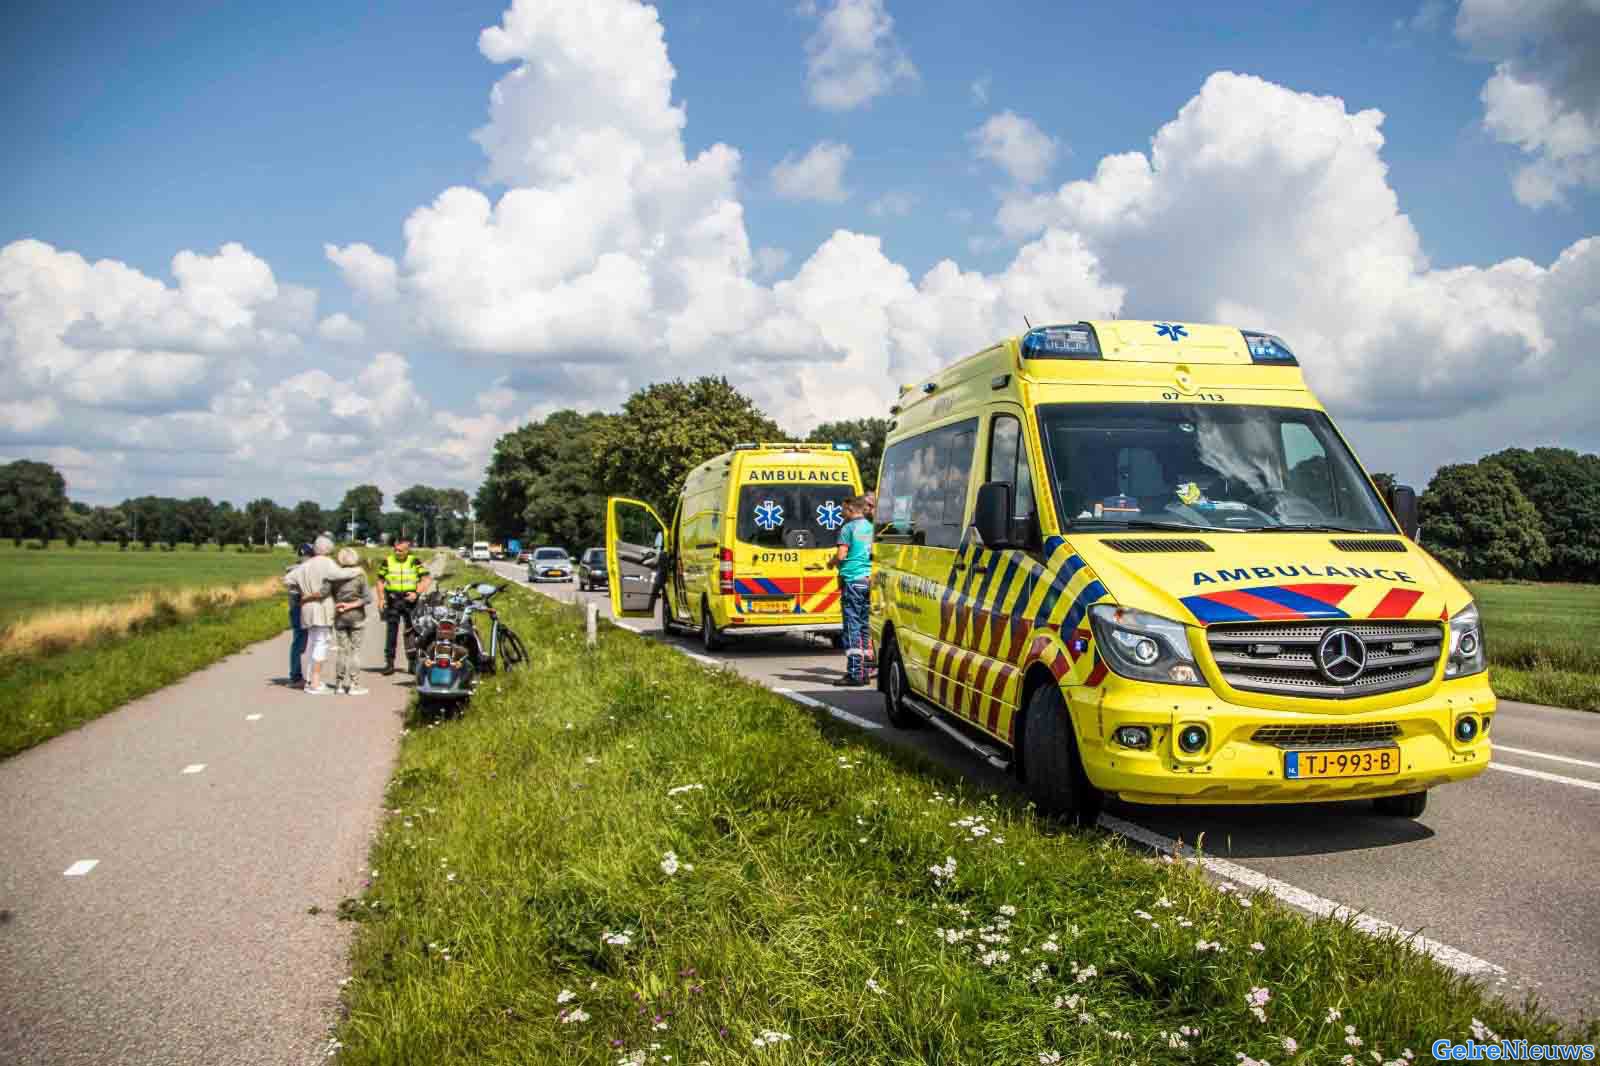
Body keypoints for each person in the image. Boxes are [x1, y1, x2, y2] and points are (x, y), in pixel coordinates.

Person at [283, 536, 363, 695]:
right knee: (322, 643)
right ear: (327, 549)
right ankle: (315, 683)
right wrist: (358, 570)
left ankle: (308, 681)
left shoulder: (305, 565)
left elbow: (287, 579)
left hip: (306, 608)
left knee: (312, 643)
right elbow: (340, 574)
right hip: (321, 608)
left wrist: (302, 592)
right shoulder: (327, 563)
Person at [828, 496, 873, 687]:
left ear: (851, 509)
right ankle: (865, 671)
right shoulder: (870, 528)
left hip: (852, 580)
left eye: (842, 510)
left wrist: (831, 563)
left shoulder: (848, 528)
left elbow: (842, 554)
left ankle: (854, 673)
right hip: (868, 580)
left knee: (851, 627)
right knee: (864, 626)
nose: (841, 513)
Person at [375, 537, 432, 675]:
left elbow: (426, 579)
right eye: (395, 549)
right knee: (391, 632)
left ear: (407, 550)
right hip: (393, 599)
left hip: (409, 600)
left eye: (400, 550)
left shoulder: (414, 561)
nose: (397, 552)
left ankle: (412, 663)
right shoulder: (388, 561)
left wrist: (416, 593)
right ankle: (389, 663)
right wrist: (381, 598)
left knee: (411, 632)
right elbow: (380, 581)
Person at [330, 547, 373, 696]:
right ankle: (354, 684)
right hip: (357, 616)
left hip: (340, 616)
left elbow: (327, 593)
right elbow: (368, 598)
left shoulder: (334, 576)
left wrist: (339, 604)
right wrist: (352, 604)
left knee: (342, 650)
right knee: (355, 650)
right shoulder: (360, 575)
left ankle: (338, 684)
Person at [284, 542, 314, 688]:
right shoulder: (300, 570)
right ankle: (296, 676)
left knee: (301, 641)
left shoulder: (292, 569)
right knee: (300, 641)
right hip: (300, 607)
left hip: (296, 608)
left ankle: (299, 674)